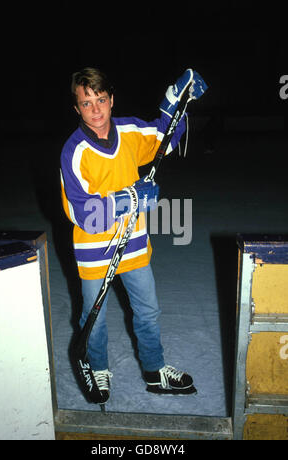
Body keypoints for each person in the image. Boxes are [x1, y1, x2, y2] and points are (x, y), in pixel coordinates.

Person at [60, 67, 207, 403]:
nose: (95, 109)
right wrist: (131, 198)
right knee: (93, 318)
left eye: (100, 100)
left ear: (111, 100)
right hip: (95, 249)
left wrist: (175, 107)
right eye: (86, 103)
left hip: (135, 242)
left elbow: (163, 139)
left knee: (147, 309)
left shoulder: (128, 130)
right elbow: (82, 212)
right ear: (76, 109)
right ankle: (97, 366)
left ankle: (155, 372)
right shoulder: (74, 151)